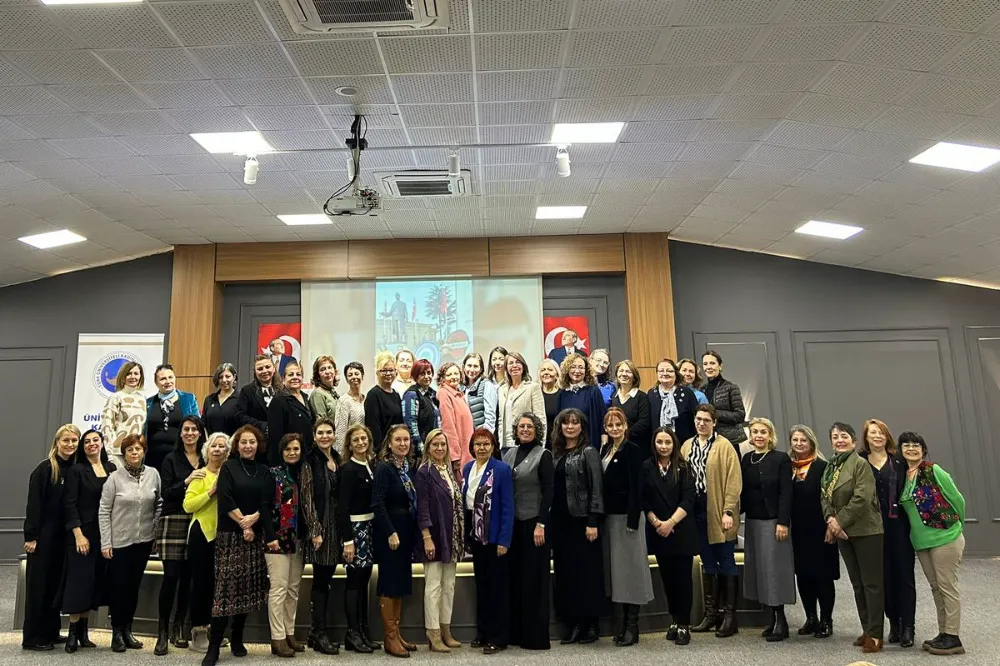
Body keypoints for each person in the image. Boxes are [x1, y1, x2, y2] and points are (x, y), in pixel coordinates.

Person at [203, 424, 273, 666]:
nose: (247, 446)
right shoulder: (229, 467)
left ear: (258, 445)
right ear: (237, 445)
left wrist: (252, 521)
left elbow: (266, 502)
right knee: (225, 591)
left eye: (252, 442)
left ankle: (237, 638)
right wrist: (244, 524)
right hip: (230, 535)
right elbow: (225, 497)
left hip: (255, 535)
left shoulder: (264, 470)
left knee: (247, 589)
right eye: (243, 442)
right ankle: (213, 647)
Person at [898, 431, 967, 656]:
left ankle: (953, 636)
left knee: (947, 586)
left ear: (923, 449)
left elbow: (958, 500)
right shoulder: (902, 475)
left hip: (945, 538)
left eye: (916, 445)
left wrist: (957, 527)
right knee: (936, 587)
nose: (911, 448)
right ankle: (943, 632)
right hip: (921, 542)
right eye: (906, 445)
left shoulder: (933, 470)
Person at [821, 422, 884, 655]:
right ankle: (867, 628)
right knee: (857, 585)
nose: (839, 440)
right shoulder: (830, 466)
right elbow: (824, 497)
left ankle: (876, 634)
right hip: (844, 533)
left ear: (854, 441)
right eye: (835, 436)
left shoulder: (860, 464)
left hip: (867, 531)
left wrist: (838, 522)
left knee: (872, 584)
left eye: (844, 436)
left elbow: (862, 497)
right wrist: (830, 519)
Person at [99, 434, 162, 653]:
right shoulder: (114, 478)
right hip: (119, 542)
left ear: (144, 451)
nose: (134, 453)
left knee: (133, 587)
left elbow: (159, 504)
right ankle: (116, 631)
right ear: (124, 454)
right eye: (130, 450)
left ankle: (128, 630)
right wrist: (106, 542)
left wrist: (154, 530)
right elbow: (104, 510)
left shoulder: (153, 474)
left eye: (138, 449)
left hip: (143, 541)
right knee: (119, 588)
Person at [684, 404, 742, 638]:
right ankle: (711, 614)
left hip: (719, 509)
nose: (701, 423)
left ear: (714, 422)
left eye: (706, 420)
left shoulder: (724, 446)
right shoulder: (687, 445)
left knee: (726, 560)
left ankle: (729, 616)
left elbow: (734, 481)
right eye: (698, 419)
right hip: (697, 510)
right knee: (707, 562)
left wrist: (728, 511)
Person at [23, 424, 80, 651]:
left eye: (74, 441)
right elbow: (34, 505)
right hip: (43, 538)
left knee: (55, 586)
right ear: (57, 442)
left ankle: (51, 631)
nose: (70, 445)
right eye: (66, 440)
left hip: (63, 538)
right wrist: (31, 536)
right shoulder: (44, 470)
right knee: (40, 587)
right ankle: (33, 637)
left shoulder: (75, 469)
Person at [550, 408, 604, 645]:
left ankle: (590, 624)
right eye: (565, 423)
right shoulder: (555, 454)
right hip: (561, 523)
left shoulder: (589, 452)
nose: (570, 427)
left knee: (587, 574)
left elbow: (597, 489)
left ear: (582, 427)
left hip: (583, 522)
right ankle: (573, 623)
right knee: (566, 574)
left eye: (574, 423)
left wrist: (593, 521)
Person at [860, 418, 916, 648]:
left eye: (881, 432)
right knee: (882, 578)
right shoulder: (860, 462)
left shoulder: (899, 461)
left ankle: (908, 626)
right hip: (871, 530)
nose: (877, 436)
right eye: (873, 432)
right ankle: (893, 622)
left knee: (904, 577)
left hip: (899, 528)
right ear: (866, 437)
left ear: (887, 437)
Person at [600, 407, 653, 647]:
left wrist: (633, 519)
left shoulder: (632, 450)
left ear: (625, 427)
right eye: (610, 425)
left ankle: (633, 626)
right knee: (618, 572)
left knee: (631, 571)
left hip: (628, 518)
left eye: (618, 425)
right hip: (610, 518)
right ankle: (622, 624)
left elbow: (637, 487)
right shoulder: (604, 449)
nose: (614, 429)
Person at [154, 415, 206, 655]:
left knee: (188, 578)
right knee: (171, 577)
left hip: (197, 521)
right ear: (180, 433)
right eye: (186, 429)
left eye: (194, 429)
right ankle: (162, 632)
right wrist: (187, 481)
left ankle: (179, 628)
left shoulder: (206, 459)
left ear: (200, 433)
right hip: (173, 520)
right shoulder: (171, 459)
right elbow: (166, 492)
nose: (190, 433)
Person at [501, 412, 553, 651]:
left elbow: (549, 492)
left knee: (534, 581)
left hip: (535, 525)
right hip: (513, 526)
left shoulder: (543, 455)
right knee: (516, 580)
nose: (524, 430)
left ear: (536, 430)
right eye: (521, 426)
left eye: (529, 426)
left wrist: (541, 524)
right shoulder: (508, 454)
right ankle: (516, 634)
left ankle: (535, 637)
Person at [642, 426, 698, 646]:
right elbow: (644, 500)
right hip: (659, 532)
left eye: (667, 442)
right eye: (659, 442)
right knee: (667, 580)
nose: (663, 446)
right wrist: (657, 523)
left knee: (683, 580)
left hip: (680, 530)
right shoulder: (647, 467)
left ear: (674, 444)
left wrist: (670, 523)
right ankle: (673, 620)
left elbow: (689, 499)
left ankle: (684, 624)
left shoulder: (684, 467)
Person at [741, 417, 795, 642]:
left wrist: (783, 522)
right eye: (754, 432)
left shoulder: (781, 459)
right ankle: (772, 618)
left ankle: (781, 620)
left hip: (774, 523)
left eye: (763, 431)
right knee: (760, 570)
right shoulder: (746, 459)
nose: (759, 436)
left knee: (775, 571)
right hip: (753, 522)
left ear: (771, 435)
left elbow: (786, 493)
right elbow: (742, 491)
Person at [62, 429, 115, 653]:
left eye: (96, 440)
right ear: (83, 447)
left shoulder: (112, 469)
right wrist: (78, 534)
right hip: (82, 535)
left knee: (93, 583)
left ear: (102, 443)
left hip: (104, 534)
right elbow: (69, 504)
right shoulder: (77, 470)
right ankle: (72, 634)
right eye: (87, 442)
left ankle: (84, 633)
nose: (92, 444)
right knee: (79, 583)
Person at [462, 428, 514, 655]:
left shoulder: (501, 470)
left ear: (493, 446)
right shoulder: (467, 468)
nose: (481, 448)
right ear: (472, 447)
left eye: (486, 444)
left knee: (497, 590)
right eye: (477, 444)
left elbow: (507, 507)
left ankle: (499, 636)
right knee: (482, 587)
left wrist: (504, 539)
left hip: (495, 539)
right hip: (476, 538)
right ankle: (483, 632)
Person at [372, 425, 420, 658]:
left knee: (400, 583)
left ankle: (396, 632)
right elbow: (378, 504)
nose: (403, 444)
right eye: (398, 440)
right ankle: (389, 637)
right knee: (389, 583)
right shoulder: (384, 468)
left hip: (405, 532)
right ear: (389, 443)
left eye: (406, 440)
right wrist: (390, 532)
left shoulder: (407, 468)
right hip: (389, 533)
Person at [416, 429, 465, 652]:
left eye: (443, 445)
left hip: (452, 537)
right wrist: (427, 537)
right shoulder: (424, 472)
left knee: (449, 586)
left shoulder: (449, 470)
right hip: (434, 537)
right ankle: (433, 633)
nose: (439, 448)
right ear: (427, 447)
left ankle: (446, 629)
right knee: (433, 586)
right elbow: (422, 508)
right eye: (435, 444)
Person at [788, 425, 839, 639]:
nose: (799, 444)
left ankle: (826, 619)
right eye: (795, 440)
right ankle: (811, 618)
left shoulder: (823, 467)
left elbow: (832, 498)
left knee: (823, 577)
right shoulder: (788, 467)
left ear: (811, 443)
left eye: (803, 440)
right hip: (798, 530)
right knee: (804, 576)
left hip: (821, 529)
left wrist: (831, 525)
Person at [184, 431, 230, 653]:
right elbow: (188, 505)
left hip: (223, 535)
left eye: (222, 446)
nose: (218, 450)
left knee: (217, 585)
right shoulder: (200, 475)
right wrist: (211, 493)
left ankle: (213, 630)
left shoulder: (230, 474)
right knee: (201, 584)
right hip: (202, 534)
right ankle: (198, 631)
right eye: (214, 446)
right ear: (207, 450)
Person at [337, 424, 380, 654]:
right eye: (356, 440)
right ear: (349, 445)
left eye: (364, 438)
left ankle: (362, 631)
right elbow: (342, 507)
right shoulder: (348, 469)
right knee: (354, 583)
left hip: (370, 527)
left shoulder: (370, 465)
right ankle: (352, 633)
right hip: (355, 529)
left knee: (364, 582)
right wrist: (348, 541)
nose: (361, 442)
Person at [300, 418, 342, 655]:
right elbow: (307, 499)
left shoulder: (336, 458)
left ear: (334, 435)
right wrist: (315, 530)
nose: (325, 436)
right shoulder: (310, 461)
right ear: (314, 436)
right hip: (321, 529)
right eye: (320, 433)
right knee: (320, 581)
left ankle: (317, 633)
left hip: (336, 527)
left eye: (329, 432)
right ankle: (318, 632)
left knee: (326, 580)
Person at [265, 434, 308, 658]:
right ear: (281, 451)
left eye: (296, 448)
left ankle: (289, 633)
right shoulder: (273, 474)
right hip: (278, 539)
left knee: (293, 589)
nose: (293, 452)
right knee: (279, 589)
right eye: (288, 449)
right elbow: (264, 506)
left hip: (299, 538)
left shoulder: (304, 473)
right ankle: (277, 637)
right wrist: (270, 535)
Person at [146, 364, 200, 471]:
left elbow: (197, 425)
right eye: (163, 379)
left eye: (170, 377)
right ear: (156, 383)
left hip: (181, 456)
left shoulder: (188, 399)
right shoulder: (148, 402)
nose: (167, 381)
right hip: (152, 458)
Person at [267, 361, 315, 465]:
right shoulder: (278, 401)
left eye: (298, 374)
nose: (295, 377)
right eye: (290, 375)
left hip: (306, 456)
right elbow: (275, 437)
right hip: (288, 458)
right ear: (284, 380)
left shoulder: (306, 398)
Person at [100, 361, 146, 468]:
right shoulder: (116, 397)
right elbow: (107, 426)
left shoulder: (143, 399)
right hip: (118, 452)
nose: (132, 376)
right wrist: (109, 454)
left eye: (136, 373)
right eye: (129, 373)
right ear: (123, 376)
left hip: (137, 452)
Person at [557, 353, 606, 450]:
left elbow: (602, 418)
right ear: (567, 370)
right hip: (567, 446)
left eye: (581, 367)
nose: (577, 371)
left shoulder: (593, 391)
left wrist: (603, 442)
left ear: (586, 371)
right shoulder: (562, 394)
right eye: (573, 367)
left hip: (589, 444)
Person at [700, 351, 747, 454]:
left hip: (729, 441)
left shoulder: (731, 387)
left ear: (720, 366)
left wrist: (714, 414)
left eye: (712, 363)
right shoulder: (701, 390)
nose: (708, 367)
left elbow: (740, 415)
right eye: (705, 364)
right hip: (708, 441)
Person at [498, 352, 546, 449]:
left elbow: (540, 418)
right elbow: (500, 418)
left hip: (526, 443)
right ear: (506, 368)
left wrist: (541, 444)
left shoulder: (533, 387)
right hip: (505, 445)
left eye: (518, 362)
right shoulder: (502, 389)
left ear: (523, 366)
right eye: (510, 363)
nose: (514, 365)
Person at [647, 358, 698, 448]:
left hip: (684, 444)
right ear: (657, 374)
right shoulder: (651, 393)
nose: (665, 373)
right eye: (661, 371)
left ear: (676, 374)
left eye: (669, 371)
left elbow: (695, 418)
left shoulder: (686, 393)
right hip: (658, 445)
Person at [235, 354, 282, 445]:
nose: (264, 371)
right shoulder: (247, 391)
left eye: (267, 367)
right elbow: (240, 416)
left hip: (280, 442)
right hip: (257, 442)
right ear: (255, 372)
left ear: (274, 369)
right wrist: (263, 426)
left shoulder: (283, 390)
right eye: (260, 369)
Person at [438, 361, 475, 474]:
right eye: (449, 375)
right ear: (442, 379)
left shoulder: (459, 394)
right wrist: (455, 456)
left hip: (467, 449)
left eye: (456, 373)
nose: (453, 377)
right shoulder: (444, 393)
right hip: (459, 454)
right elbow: (448, 426)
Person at [365, 351, 403, 452]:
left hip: (397, 449)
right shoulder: (373, 395)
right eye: (384, 370)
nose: (388, 374)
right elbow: (373, 428)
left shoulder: (396, 395)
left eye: (391, 370)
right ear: (377, 373)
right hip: (383, 451)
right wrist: (382, 452)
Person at [401, 358, 440, 458]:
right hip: (420, 453)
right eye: (422, 374)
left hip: (434, 447)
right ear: (415, 376)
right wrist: (421, 449)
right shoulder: (412, 394)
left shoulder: (432, 394)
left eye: (429, 373)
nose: (427, 376)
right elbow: (410, 424)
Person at [611, 359, 652, 451]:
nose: (624, 374)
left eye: (628, 371)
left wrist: (623, 434)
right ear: (617, 376)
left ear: (634, 377)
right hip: (618, 445)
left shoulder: (642, 397)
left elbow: (644, 422)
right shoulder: (614, 397)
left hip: (638, 445)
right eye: (621, 371)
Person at [462, 352, 498, 434]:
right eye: (469, 366)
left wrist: (483, 436)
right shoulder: (461, 387)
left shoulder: (487, 385)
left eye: (475, 366)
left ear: (481, 369)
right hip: (466, 436)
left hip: (480, 437)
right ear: (464, 367)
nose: (472, 370)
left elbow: (490, 417)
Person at [335, 361, 366, 451]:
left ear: (362, 376)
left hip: (365, 447)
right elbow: (340, 431)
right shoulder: (344, 401)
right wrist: (341, 456)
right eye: (350, 375)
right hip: (351, 449)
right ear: (346, 379)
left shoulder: (366, 399)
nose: (354, 377)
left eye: (357, 374)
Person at [202, 363, 240, 436]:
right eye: (220, 377)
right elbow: (203, 425)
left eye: (227, 376)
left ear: (234, 377)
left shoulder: (241, 398)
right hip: (211, 445)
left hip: (233, 444)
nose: (224, 380)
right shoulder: (209, 399)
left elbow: (243, 426)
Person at [309, 355, 340, 423]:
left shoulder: (332, 392)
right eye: (323, 369)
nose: (327, 372)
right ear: (318, 376)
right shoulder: (318, 394)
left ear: (334, 371)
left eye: (330, 367)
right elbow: (322, 423)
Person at [538, 359, 562, 446]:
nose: (546, 373)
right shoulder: (535, 394)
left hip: (558, 442)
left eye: (550, 370)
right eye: (543, 370)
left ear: (557, 374)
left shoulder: (563, 394)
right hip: (539, 442)